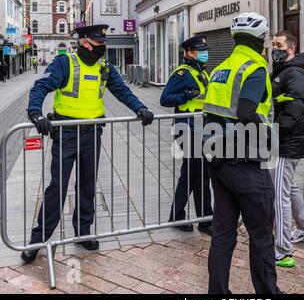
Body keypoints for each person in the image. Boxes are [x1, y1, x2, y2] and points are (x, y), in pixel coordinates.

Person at [21, 25, 155, 264]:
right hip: (66, 133)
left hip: (92, 133)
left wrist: (140, 108)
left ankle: (83, 231)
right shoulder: (65, 64)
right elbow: (40, 86)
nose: (101, 49)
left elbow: (121, 90)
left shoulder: (105, 68)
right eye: (97, 45)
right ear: (84, 43)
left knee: (87, 185)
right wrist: (36, 113)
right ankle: (38, 239)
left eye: (102, 45)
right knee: (57, 187)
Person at [203, 13, 281, 294]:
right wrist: (270, 131)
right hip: (246, 161)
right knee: (261, 235)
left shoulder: (221, 67)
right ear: (261, 40)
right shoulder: (255, 68)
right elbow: (247, 112)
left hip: (217, 158)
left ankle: (218, 293)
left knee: (223, 233)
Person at [270, 31, 304, 268]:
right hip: (288, 140)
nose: (274, 49)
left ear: (291, 48)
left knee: (279, 194)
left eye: (278, 45)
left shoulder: (295, 74)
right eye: (273, 44)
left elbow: (295, 108)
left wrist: (274, 131)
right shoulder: (284, 71)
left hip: (287, 142)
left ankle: (282, 250)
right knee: (289, 186)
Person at [160, 35, 214, 236]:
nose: (205, 53)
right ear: (190, 53)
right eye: (201, 50)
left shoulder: (201, 73)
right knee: (200, 174)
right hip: (186, 129)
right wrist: (186, 95)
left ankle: (179, 215)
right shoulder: (182, 73)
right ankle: (206, 220)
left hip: (200, 129)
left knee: (191, 174)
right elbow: (165, 98)